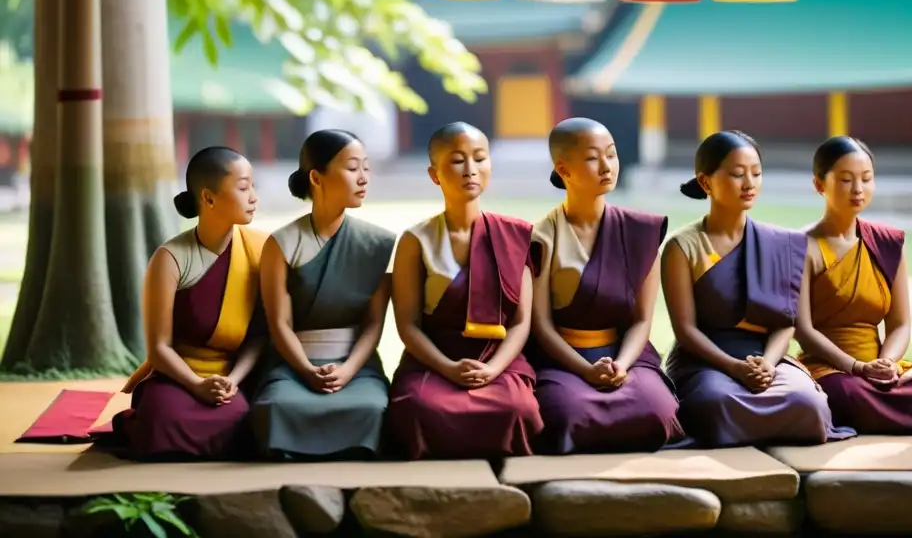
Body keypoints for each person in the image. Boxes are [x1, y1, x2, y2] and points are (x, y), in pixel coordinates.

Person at [662, 130, 855, 448]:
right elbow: (685, 330)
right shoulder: (683, 247)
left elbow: (784, 323)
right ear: (706, 181)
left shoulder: (779, 243)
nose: (749, 183)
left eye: (756, 173)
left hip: (769, 357)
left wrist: (767, 363)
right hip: (707, 361)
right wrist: (734, 367)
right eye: (738, 174)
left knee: (810, 405)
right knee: (715, 404)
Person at [795, 136, 912, 435]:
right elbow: (803, 330)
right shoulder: (799, 246)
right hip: (829, 367)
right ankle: (884, 414)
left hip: (879, 365)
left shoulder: (887, 243)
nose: (858, 189)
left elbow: (900, 324)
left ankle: (877, 413)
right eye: (845, 180)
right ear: (820, 185)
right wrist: (856, 367)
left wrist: (887, 362)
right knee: (846, 395)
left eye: (866, 179)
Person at [386, 122, 543, 460]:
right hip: (434, 358)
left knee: (518, 410)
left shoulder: (515, 236)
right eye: (457, 160)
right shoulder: (417, 241)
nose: (471, 170)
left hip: (497, 357)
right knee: (417, 409)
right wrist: (446, 367)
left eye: (480, 158)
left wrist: (493, 369)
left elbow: (520, 321)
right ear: (434, 174)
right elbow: (408, 325)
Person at [529, 118, 684, 454]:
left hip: (623, 353)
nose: (606, 166)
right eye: (592, 158)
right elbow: (539, 323)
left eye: (611, 155)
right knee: (565, 415)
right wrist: (586, 370)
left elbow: (643, 318)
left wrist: (622, 365)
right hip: (562, 359)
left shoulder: (640, 230)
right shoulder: (541, 237)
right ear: (564, 169)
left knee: (657, 412)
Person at [111, 147, 266, 459]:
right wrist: (195, 384)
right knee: (162, 421)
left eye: (253, 186)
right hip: (177, 375)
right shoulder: (169, 259)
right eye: (243, 187)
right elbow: (159, 348)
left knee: (243, 422)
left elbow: (260, 335)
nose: (254, 197)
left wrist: (233, 380)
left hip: (232, 375)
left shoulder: (261, 249)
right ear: (208, 198)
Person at [250, 130, 396, 460]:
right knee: (277, 406)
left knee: (372, 407)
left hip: (356, 363)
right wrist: (304, 369)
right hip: (292, 362)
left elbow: (374, 323)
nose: (363, 178)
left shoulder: (377, 244)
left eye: (366, 168)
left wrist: (348, 370)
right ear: (316, 177)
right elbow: (279, 323)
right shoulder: (282, 243)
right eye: (352, 168)